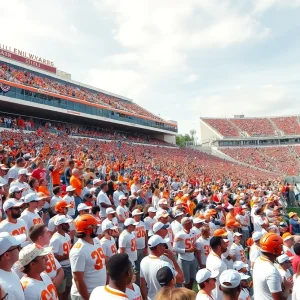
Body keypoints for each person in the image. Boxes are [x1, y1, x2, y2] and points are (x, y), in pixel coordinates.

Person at [69, 214, 106, 300]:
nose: (96, 229)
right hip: (85, 295)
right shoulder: (78, 251)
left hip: (98, 292)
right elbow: (78, 279)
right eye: (94, 227)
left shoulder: (96, 241)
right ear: (87, 229)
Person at [140, 235, 183, 300]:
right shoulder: (165, 265)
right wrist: (173, 259)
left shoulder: (143, 261)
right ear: (158, 247)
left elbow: (142, 285)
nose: (165, 248)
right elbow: (181, 279)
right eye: (163, 245)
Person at [253, 232, 292, 300]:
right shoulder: (272, 272)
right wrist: (287, 288)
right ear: (276, 249)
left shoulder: (258, 260)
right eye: (280, 246)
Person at [29, 224, 64, 290]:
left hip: (53, 286)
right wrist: (49, 282)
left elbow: (60, 270)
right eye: (47, 233)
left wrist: (55, 281)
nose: (50, 234)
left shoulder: (48, 249)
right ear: (40, 238)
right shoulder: (32, 255)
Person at [49, 215, 73, 300]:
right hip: (61, 268)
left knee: (68, 288)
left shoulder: (66, 235)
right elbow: (53, 256)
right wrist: (68, 256)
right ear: (60, 226)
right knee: (60, 292)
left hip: (69, 266)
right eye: (66, 224)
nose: (68, 225)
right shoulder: (55, 239)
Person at [0, 232, 26, 300]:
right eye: (18, 247)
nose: (21, 249)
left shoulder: (9, 269)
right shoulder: (5, 287)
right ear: (6, 255)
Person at [173, 217, 197, 289]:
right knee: (186, 280)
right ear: (184, 224)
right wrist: (187, 250)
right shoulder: (179, 234)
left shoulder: (193, 232)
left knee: (192, 278)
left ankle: (190, 293)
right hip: (184, 259)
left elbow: (195, 243)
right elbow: (174, 248)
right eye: (189, 222)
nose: (191, 223)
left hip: (192, 258)